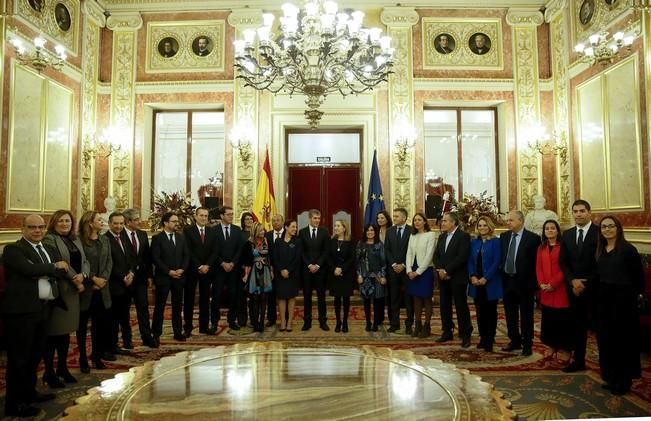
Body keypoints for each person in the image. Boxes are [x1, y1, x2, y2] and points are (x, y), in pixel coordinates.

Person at [1, 215, 68, 417]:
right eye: (32, 227)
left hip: (42, 309)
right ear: (23, 229)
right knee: (19, 359)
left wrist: (50, 269)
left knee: (35, 355)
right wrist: (53, 267)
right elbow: (28, 269)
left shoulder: (46, 248)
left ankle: (29, 393)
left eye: (40, 227)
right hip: (21, 312)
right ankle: (14, 404)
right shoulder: (13, 249)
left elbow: (62, 271)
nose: (37, 231)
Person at [595, 215, 643, 395]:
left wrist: (631, 298)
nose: (607, 229)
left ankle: (624, 380)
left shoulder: (628, 250)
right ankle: (611, 376)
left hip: (623, 303)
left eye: (611, 226)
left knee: (623, 342)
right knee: (607, 341)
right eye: (603, 227)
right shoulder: (601, 250)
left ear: (618, 228)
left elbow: (638, 279)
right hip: (604, 301)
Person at [41, 210, 86, 388]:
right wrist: (76, 279)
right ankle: (49, 371)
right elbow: (59, 263)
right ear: (54, 223)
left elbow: (85, 261)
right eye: (60, 221)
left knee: (66, 333)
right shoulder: (50, 240)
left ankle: (62, 367)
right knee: (53, 333)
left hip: (74, 291)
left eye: (67, 220)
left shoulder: (75, 238)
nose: (64, 224)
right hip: (60, 291)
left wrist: (84, 275)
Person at [559, 199, 598, 372]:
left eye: (582, 211)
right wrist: (573, 281)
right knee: (577, 325)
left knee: (599, 327)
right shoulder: (567, 234)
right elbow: (563, 262)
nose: (578, 214)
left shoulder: (600, 232)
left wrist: (585, 282)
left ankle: (607, 366)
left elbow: (601, 262)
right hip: (573, 287)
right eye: (575, 211)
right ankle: (579, 361)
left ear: (589, 212)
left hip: (595, 287)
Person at [500, 210, 540, 356]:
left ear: (520, 221)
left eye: (511, 220)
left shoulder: (533, 238)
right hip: (508, 280)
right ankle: (514, 340)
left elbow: (536, 263)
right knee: (510, 313)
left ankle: (527, 343)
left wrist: (535, 284)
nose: (507, 223)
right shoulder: (504, 237)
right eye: (507, 220)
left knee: (526, 314)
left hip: (525, 283)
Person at [77, 211, 113, 371]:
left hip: (102, 290)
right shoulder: (79, 241)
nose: (103, 221)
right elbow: (79, 264)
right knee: (82, 326)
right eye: (99, 219)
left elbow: (109, 262)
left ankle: (97, 357)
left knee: (99, 326)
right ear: (90, 223)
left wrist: (103, 280)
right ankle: (83, 358)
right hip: (85, 290)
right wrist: (93, 279)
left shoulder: (105, 240)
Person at [434, 212, 472, 347]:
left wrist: (448, 270)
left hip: (457, 277)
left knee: (461, 306)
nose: (442, 223)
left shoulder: (463, 236)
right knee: (444, 305)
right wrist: (440, 270)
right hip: (443, 277)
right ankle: (447, 331)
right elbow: (437, 255)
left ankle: (465, 334)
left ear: (453, 223)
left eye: (445, 221)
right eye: (442, 221)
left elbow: (462, 257)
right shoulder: (442, 237)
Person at [151, 212, 189, 344]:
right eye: (173, 221)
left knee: (178, 306)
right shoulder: (157, 238)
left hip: (179, 277)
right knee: (160, 307)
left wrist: (182, 269)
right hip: (164, 278)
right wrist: (169, 271)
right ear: (165, 223)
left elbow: (186, 256)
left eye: (177, 221)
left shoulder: (181, 238)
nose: (176, 223)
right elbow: (156, 258)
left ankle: (178, 332)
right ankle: (156, 334)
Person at [536, 219, 572, 360]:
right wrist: (542, 284)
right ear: (544, 232)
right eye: (547, 229)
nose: (550, 230)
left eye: (552, 228)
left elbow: (565, 268)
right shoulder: (541, 248)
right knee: (549, 319)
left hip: (560, 289)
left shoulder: (563, 247)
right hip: (545, 290)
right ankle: (551, 345)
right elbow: (538, 267)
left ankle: (564, 348)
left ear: (557, 231)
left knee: (562, 320)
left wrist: (553, 284)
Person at [467, 216, 502, 352]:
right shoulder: (474, 242)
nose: (482, 228)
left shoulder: (496, 242)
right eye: (480, 225)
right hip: (476, 282)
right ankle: (482, 338)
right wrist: (473, 276)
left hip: (490, 282)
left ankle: (490, 339)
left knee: (490, 311)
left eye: (484, 225)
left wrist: (486, 278)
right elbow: (470, 260)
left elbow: (497, 261)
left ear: (490, 227)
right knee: (480, 311)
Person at [183, 207, 219, 336]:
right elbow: (188, 251)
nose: (204, 218)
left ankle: (204, 326)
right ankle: (188, 326)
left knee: (205, 299)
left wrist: (207, 265)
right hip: (192, 269)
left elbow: (215, 251)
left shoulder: (212, 232)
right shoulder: (188, 231)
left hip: (208, 270)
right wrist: (199, 265)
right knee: (189, 298)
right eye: (201, 215)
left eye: (206, 216)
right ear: (195, 217)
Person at [122, 208, 154, 348]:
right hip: (125, 279)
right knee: (124, 311)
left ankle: (147, 337)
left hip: (140, 279)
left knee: (143, 308)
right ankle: (127, 340)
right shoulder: (120, 235)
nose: (139, 221)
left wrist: (149, 276)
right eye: (136, 219)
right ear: (128, 222)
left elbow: (147, 257)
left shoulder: (142, 234)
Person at [104, 212, 135, 355]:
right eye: (116, 223)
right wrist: (123, 276)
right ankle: (112, 345)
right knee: (113, 318)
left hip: (127, 284)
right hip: (114, 285)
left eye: (121, 223)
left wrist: (131, 272)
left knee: (125, 315)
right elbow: (109, 262)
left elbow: (131, 257)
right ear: (110, 224)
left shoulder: (124, 236)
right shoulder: (105, 239)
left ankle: (127, 341)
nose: (118, 226)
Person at [405, 212, 436, 338]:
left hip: (425, 271)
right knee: (416, 298)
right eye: (415, 220)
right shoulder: (413, 236)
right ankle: (417, 325)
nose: (416, 222)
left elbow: (429, 256)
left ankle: (427, 326)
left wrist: (418, 272)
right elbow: (409, 253)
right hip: (412, 269)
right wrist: (408, 270)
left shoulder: (431, 235)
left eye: (419, 220)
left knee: (426, 298)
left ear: (424, 222)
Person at [298, 209, 330, 331]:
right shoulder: (302, 232)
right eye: (315, 218)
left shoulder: (324, 232)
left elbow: (326, 251)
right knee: (307, 297)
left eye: (318, 218)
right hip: (307, 271)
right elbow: (301, 252)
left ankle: (323, 321)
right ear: (310, 218)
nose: (317, 220)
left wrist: (318, 265)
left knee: (321, 297)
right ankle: (307, 322)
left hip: (320, 270)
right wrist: (309, 265)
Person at [215, 206, 244, 330]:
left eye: (232, 214)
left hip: (233, 269)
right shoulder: (213, 230)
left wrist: (232, 263)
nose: (231, 216)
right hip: (218, 269)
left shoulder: (237, 230)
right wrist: (222, 263)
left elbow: (239, 249)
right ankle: (214, 322)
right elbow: (212, 250)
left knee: (234, 295)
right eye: (228, 214)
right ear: (221, 216)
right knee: (216, 296)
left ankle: (232, 320)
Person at [385, 208, 413, 333]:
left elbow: (412, 251)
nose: (394, 218)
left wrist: (404, 265)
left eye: (396, 216)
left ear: (404, 218)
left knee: (408, 298)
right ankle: (394, 323)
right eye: (394, 216)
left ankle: (409, 324)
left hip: (407, 269)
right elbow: (387, 249)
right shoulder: (390, 231)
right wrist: (394, 264)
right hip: (393, 270)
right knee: (394, 298)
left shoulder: (412, 230)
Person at [242, 222, 273, 332]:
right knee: (254, 299)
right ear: (255, 231)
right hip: (253, 272)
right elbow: (246, 261)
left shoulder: (267, 241)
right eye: (260, 231)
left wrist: (271, 270)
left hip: (265, 272)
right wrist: (246, 274)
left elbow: (270, 257)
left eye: (263, 230)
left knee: (264, 298)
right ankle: (255, 323)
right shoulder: (248, 244)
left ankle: (261, 324)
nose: (263, 232)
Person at [357, 224, 387, 332]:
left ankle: (376, 322)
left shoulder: (380, 245)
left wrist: (383, 276)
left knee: (377, 301)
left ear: (375, 232)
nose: (370, 232)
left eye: (372, 230)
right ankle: (368, 322)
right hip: (365, 277)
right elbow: (358, 262)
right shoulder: (361, 244)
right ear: (365, 232)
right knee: (366, 302)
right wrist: (359, 275)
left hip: (377, 277)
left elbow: (384, 262)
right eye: (368, 230)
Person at [273, 219, 301, 332]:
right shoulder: (278, 242)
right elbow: (275, 258)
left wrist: (288, 270)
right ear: (286, 227)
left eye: (296, 227)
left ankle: (289, 322)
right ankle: (283, 322)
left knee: (291, 298)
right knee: (281, 298)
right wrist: (281, 270)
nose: (295, 229)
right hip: (280, 275)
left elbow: (297, 258)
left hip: (292, 274)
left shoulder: (297, 241)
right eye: (293, 226)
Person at [329, 220, 355, 333]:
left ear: (344, 228)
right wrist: (335, 269)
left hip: (346, 275)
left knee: (346, 299)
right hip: (335, 274)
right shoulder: (332, 241)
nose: (336, 227)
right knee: (337, 299)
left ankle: (345, 322)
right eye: (335, 225)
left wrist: (342, 269)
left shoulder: (350, 242)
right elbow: (328, 258)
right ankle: (338, 322)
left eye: (338, 226)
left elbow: (352, 258)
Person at [264, 214, 285, 328]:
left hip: (284, 270)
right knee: (271, 296)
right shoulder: (266, 235)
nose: (275, 222)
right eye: (273, 221)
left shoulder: (288, 235)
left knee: (284, 295)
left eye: (278, 220)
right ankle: (271, 319)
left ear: (282, 222)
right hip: (270, 270)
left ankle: (285, 319)